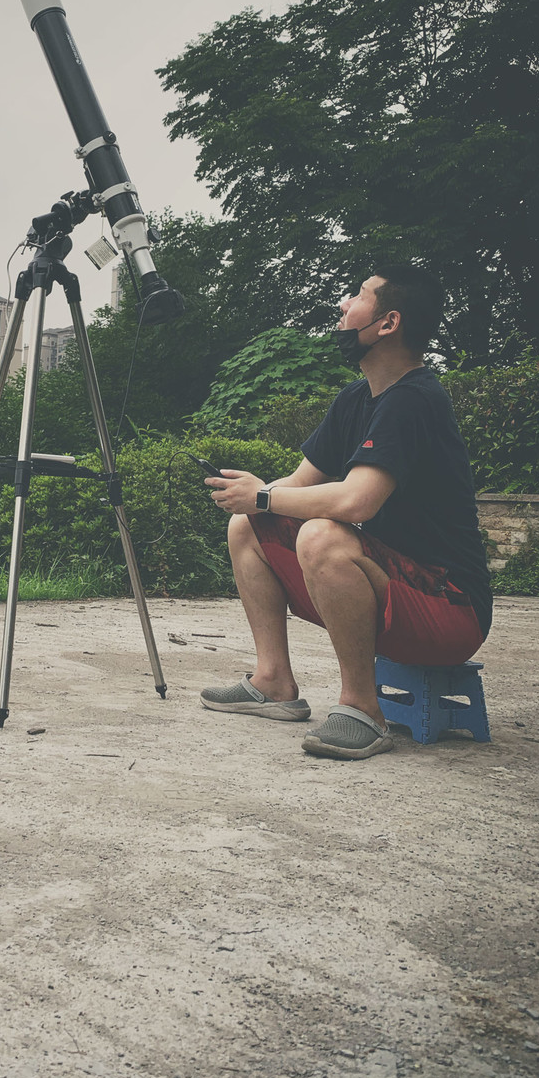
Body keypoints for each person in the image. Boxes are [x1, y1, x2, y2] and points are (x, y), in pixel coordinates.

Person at [200, 264, 491, 760]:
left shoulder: (415, 400)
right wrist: (247, 494)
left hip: (450, 607)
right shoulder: (357, 398)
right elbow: (295, 486)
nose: (342, 306)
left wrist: (264, 496)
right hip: (392, 585)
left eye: (357, 296)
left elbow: (357, 500)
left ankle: (363, 709)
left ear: (387, 323)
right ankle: (272, 681)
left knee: (322, 536)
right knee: (247, 525)